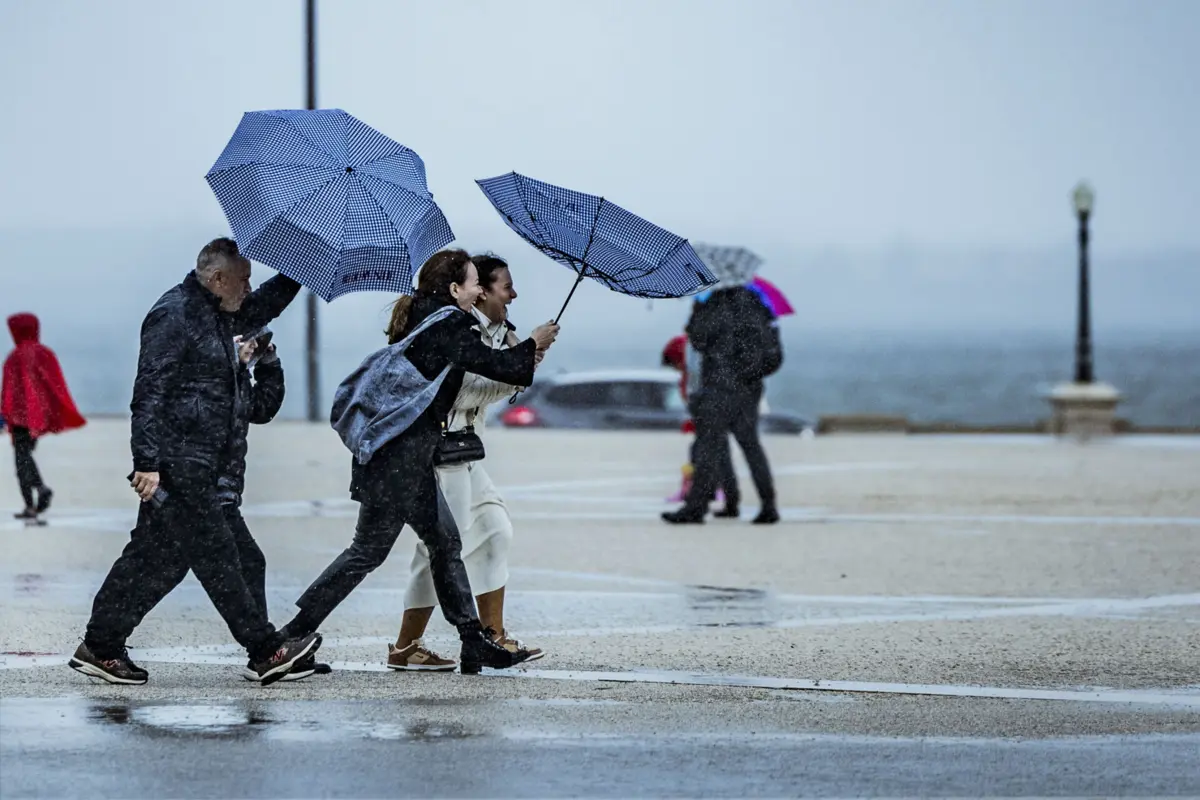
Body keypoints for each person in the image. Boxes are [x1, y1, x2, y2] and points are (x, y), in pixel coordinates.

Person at [281, 249, 560, 675]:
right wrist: (532, 347)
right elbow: (489, 364)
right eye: (472, 284)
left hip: (394, 455)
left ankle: (472, 641)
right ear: (455, 290)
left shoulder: (425, 318)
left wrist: (521, 355)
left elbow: (485, 368)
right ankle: (290, 637)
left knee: (441, 543)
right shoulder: (450, 323)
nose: (477, 291)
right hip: (401, 458)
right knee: (374, 552)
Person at [69, 237, 321, 686]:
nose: (249, 288)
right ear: (218, 278)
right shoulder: (175, 314)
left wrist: (301, 262)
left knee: (159, 559)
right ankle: (266, 651)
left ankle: (101, 646)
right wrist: (146, 461)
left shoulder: (219, 314)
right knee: (221, 558)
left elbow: (264, 306)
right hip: (178, 461)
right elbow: (148, 392)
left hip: (205, 464)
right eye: (243, 280)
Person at [388, 254, 544, 672]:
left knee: (495, 532)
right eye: (503, 286)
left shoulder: (487, 332)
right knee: (436, 550)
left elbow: (485, 385)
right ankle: (406, 645)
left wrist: (521, 360)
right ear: (474, 291)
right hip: (440, 454)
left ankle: (493, 637)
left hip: (465, 450)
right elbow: (460, 395)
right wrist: (519, 364)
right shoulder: (452, 331)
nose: (512, 294)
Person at [662, 283, 781, 525]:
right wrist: (748, 375)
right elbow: (772, 352)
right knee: (751, 445)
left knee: (709, 447)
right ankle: (768, 505)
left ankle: (697, 507)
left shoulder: (714, 303)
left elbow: (698, 338)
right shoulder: (757, 303)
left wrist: (697, 310)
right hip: (749, 387)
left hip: (718, 385)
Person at [2, 312, 86, 523]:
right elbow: (54, 384)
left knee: (22, 460)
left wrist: (3, 415)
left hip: (20, 417)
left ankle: (36, 496)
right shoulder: (45, 354)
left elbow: (9, 390)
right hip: (36, 417)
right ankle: (34, 499)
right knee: (25, 457)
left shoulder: (15, 357)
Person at [660, 333, 735, 514]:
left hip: (710, 409)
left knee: (709, 451)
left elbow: (698, 387)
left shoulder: (698, 354)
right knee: (708, 450)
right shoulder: (691, 365)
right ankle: (711, 491)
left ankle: (706, 491)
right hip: (705, 409)